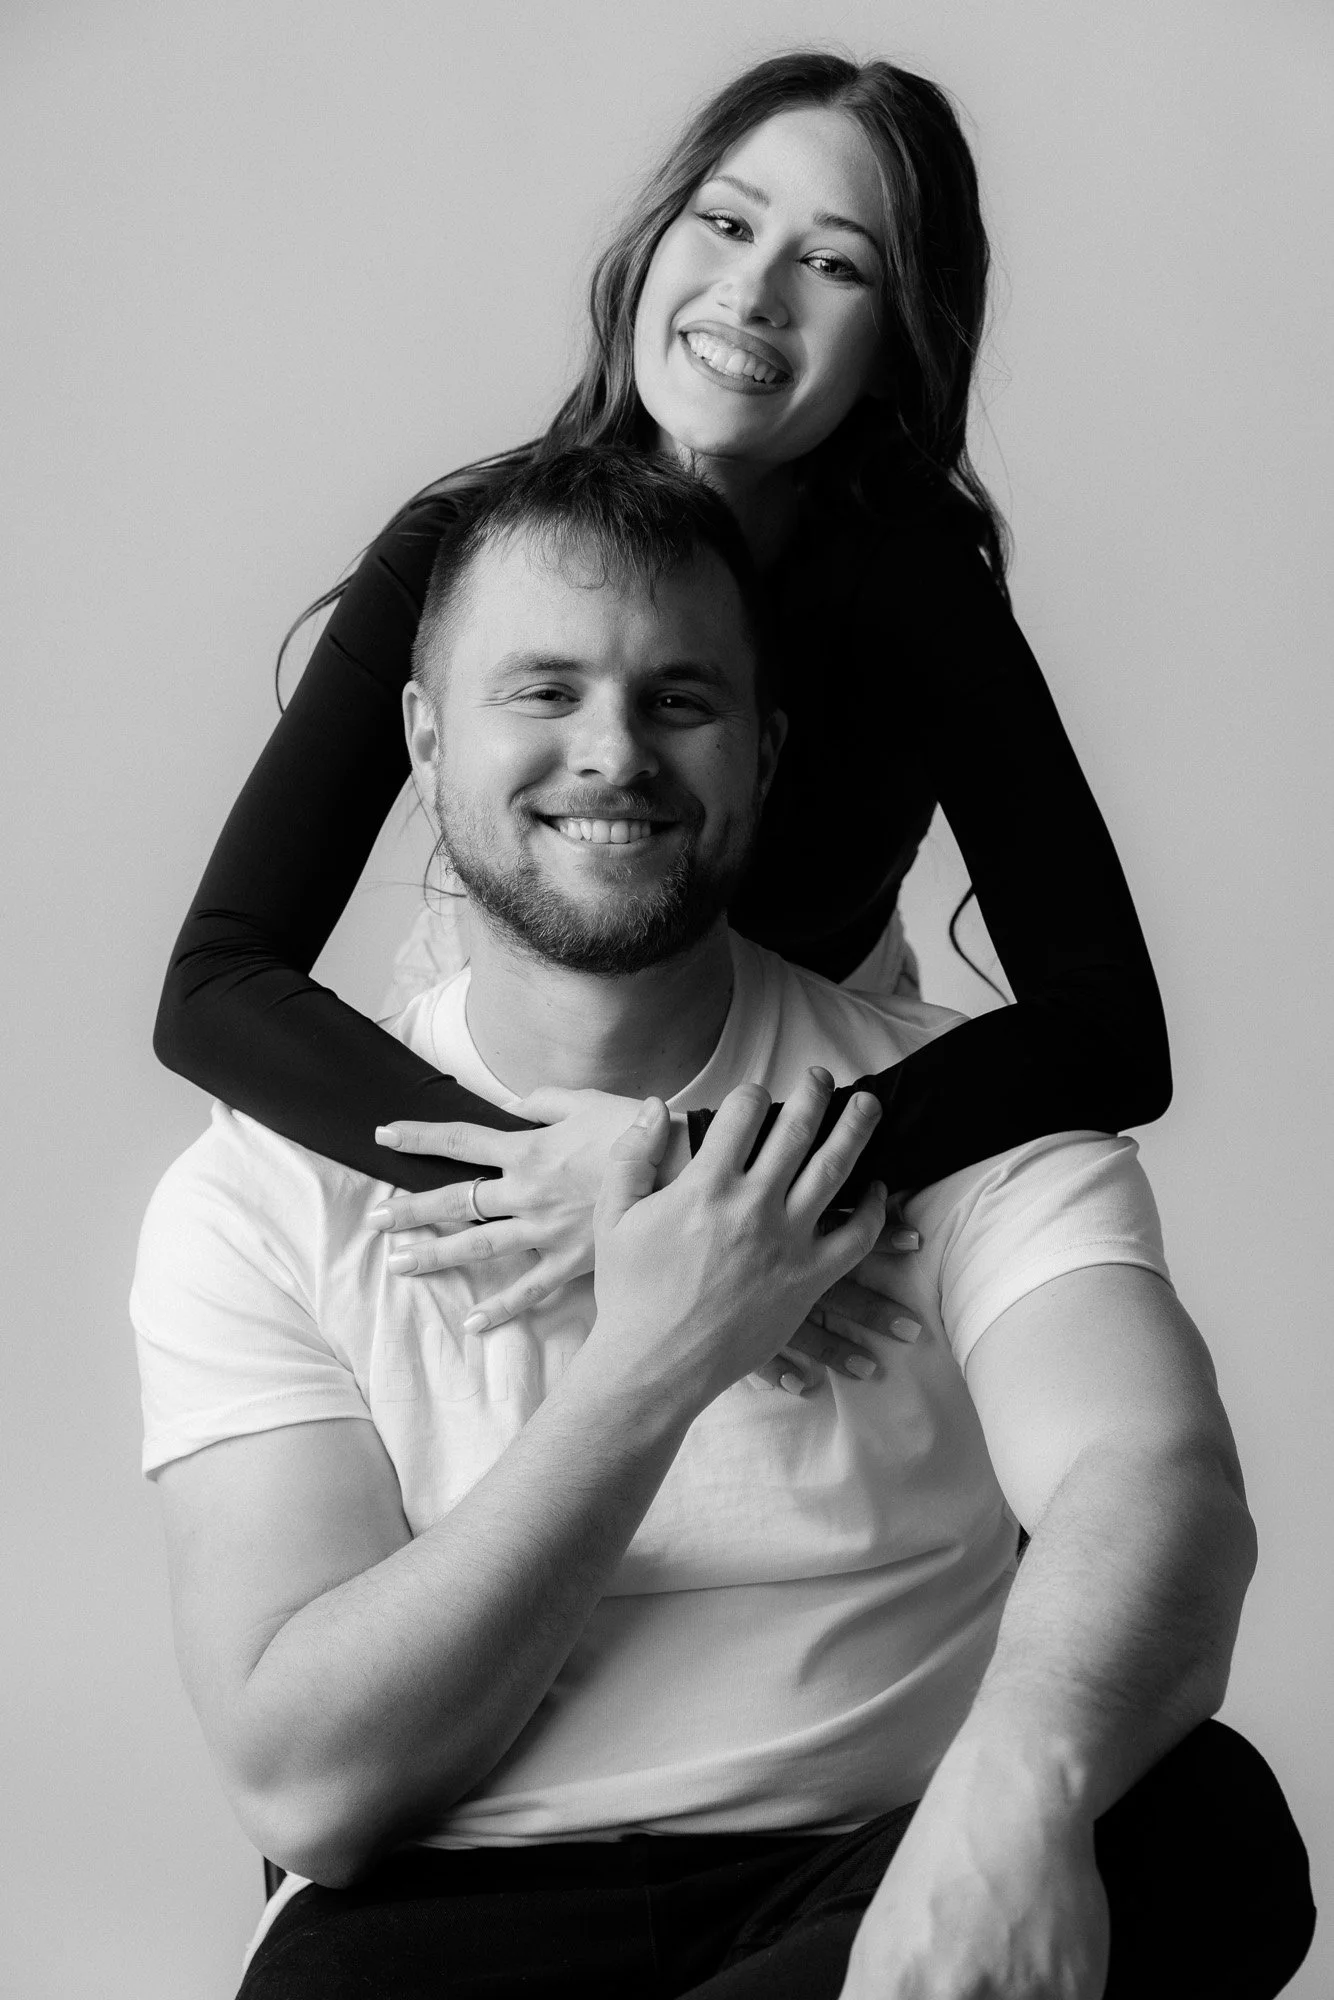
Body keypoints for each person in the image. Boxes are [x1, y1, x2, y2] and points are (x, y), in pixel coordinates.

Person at [132, 451, 1312, 1999]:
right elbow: (310, 1791)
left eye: (677, 699)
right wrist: (662, 1350)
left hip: (887, 1873)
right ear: (422, 740)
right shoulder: (258, 1193)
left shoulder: (961, 1115)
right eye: (542, 691)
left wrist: (1010, 1794)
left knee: (1201, 1826)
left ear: (761, 752)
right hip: (449, 1917)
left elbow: (1147, 1479)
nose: (611, 753)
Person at [152, 51, 1173, 1345]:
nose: (752, 291)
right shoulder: (463, 547)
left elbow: (1109, 1030)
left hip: (804, 1105)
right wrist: (542, 1179)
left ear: (896, 342)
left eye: (834, 262)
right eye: (728, 224)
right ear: (652, 246)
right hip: (511, 1097)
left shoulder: (916, 593)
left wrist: (703, 1186)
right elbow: (214, 982)